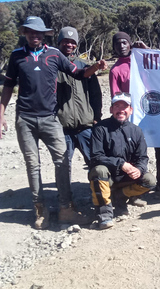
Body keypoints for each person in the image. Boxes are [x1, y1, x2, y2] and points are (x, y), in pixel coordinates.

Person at [0, 16, 106, 229]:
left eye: (38, 32)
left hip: (50, 118)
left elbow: (78, 74)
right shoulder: (16, 56)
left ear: (44, 34)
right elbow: (9, 87)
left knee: (62, 160)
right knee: (33, 164)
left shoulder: (54, 54)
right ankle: (40, 209)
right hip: (25, 118)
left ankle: (66, 208)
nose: (34, 35)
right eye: (30, 31)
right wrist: (1, 114)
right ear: (25, 33)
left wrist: (96, 67)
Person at [108, 31, 160, 203]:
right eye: (118, 43)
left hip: (154, 112)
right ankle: (135, 191)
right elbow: (117, 98)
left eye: (125, 42)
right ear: (114, 47)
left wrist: (147, 50)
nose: (122, 46)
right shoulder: (115, 70)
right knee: (134, 154)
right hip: (133, 118)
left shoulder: (143, 61)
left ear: (130, 44)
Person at [89, 92, 156, 229]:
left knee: (150, 180)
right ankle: (105, 213)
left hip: (127, 177)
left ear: (130, 110)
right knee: (98, 171)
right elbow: (96, 156)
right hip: (109, 177)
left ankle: (119, 196)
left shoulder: (136, 131)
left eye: (125, 106)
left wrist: (139, 169)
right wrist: (121, 164)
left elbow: (142, 157)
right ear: (111, 109)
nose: (121, 110)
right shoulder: (100, 129)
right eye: (117, 106)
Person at [56, 26, 103, 180]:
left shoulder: (84, 66)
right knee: (63, 165)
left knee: (95, 162)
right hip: (62, 127)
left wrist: (97, 116)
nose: (69, 45)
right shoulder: (52, 65)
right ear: (59, 42)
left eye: (72, 42)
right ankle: (65, 199)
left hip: (86, 125)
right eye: (65, 41)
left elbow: (96, 94)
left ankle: (98, 197)